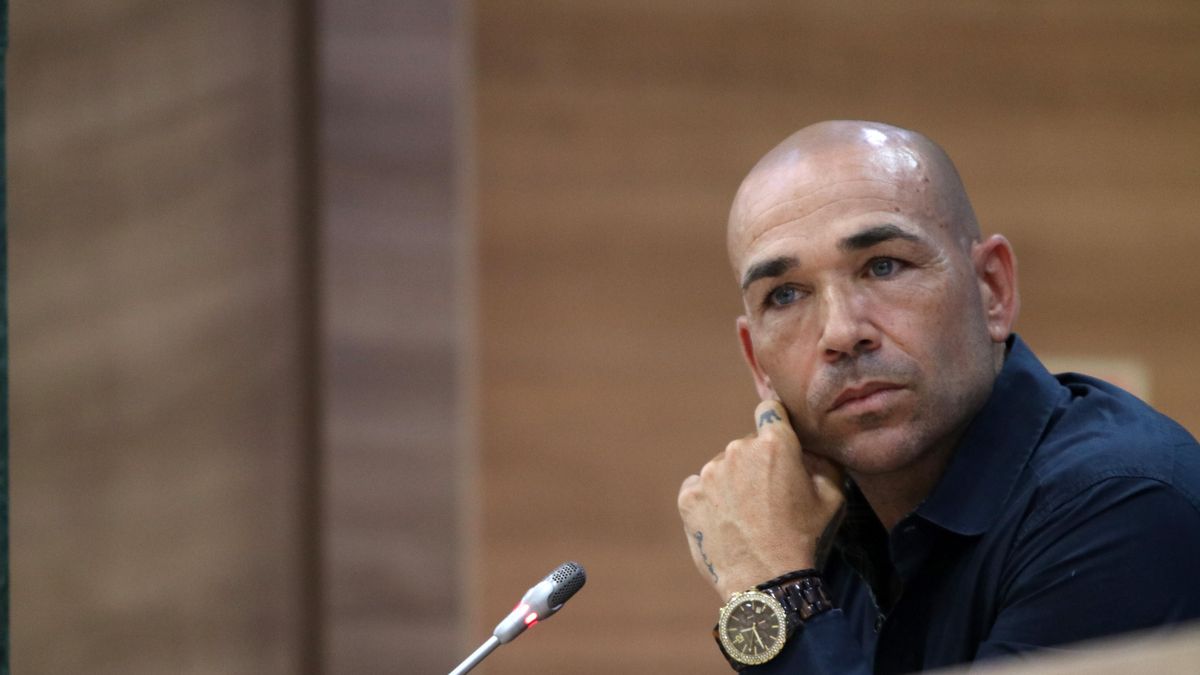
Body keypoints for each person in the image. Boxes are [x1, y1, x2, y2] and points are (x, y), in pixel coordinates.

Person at [677, 120, 1200, 673]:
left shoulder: (1122, 507)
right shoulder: (822, 521)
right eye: (785, 295)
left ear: (992, 290)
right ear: (758, 362)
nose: (841, 332)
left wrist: (775, 588)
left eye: (884, 266)